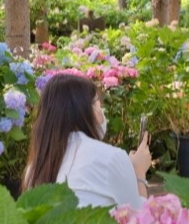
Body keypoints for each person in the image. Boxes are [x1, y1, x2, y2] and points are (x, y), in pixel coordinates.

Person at [21, 73, 151, 209]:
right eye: (97, 105)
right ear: (83, 111)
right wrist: (138, 172)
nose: (102, 112)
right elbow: (138, 219)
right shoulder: (111, 158)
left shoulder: (33, 171)